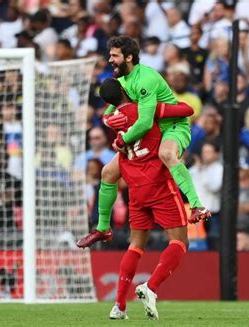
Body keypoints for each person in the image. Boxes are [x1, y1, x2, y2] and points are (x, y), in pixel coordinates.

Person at [78, 36, 210, 247]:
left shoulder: (145, 79)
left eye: (114, 55)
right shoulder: (121, 81)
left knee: (166, 154)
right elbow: (108, 113)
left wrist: (122, 139)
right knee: (107, 173)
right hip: (149, 132)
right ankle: (103, 228)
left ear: (128, 57)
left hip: (172, 126)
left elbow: (148, 122)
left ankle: (196, 205)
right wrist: (109, 121)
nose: (110, 59)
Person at [92, 78, 196, 321]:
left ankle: (118, 305)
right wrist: (158, 103)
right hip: (158, 183)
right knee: (180, 241)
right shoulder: (143, 110)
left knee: (136, 244)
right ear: (124, 90)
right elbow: (186, 110)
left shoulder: (110, 120)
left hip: (135, 187)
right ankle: (151, 286)